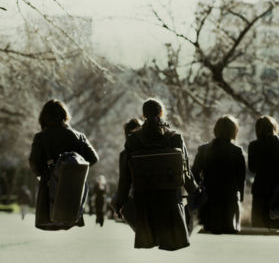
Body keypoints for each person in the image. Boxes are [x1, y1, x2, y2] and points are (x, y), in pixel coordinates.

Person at [115, 98, 197, 251]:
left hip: (144, 201)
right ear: (161, 113)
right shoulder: (175, 137)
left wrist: (120, 202)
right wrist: (195, 192)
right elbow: (185, 172)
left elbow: (125, 178)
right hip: (171, 200)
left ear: (143, 115)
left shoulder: (133, 139)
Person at [29, 99, 99, 230]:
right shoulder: (79, 136)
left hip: (49, 189)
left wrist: (43, 175)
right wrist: (76, 171)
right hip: (74, 191)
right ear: (64, 115)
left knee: (50, 216)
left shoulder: (41, 137)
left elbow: (33, 162)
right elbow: (93, 158)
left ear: (43, 117)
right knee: (71, 215)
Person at [192, 115, 246, 234]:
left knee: (209, 230)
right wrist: (241, 196)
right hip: (229, 199)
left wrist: (197, 190)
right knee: (228, 231)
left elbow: (194, 172)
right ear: (234, 131)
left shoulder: (204, 150)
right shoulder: (237, 151)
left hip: (208, 198)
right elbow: (241, 178)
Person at [248, 115, 279, 230]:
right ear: (274, 127)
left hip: (260, 190)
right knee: (278, 226)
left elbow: (252, 168)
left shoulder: (254, 145)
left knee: (260, 227)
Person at [112, 118, 141, 229]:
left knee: (116, 199)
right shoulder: (153, 147)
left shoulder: (125, 154)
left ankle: (139, 229)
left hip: (138, 194)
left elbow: (124, 182)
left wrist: (118, 205)